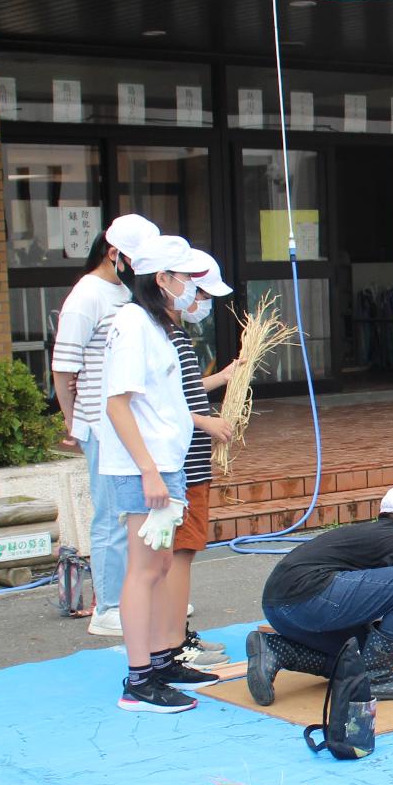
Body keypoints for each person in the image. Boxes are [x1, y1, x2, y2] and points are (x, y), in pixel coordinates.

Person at [97, 234, 216, 713]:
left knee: (161, 564)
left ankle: (162, 660)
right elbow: (117, 403)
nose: (191, 287)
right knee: (145, 570)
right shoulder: (132, 323)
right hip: (145, 467)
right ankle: (139, 678)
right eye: (185, 277)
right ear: (161, 279)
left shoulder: (156, 324)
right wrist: (148, 471)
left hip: (166, 463)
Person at [51, 212, 159, 637]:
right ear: (114, 254)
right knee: (112, 515)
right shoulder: (87, 297)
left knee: (132, 512)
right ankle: (108, 606)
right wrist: (75, 422)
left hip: (126, 420)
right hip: (101, 421)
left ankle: (134, 598)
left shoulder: (124, 293)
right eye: (135, 259)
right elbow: (64, 369)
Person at [247, 483, 393, 705]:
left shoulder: (369, 535)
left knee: (355, 659)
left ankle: (277, 650)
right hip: (310, 597)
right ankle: (377, 677)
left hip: (278, 607)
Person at [165, 245, 238, 674]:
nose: (201, 304)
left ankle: (177, 635)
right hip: (183, 463)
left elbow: (186, 390)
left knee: (183, 551)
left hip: (191, 461)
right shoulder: (166, 337)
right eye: (199, 293)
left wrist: (226, 376)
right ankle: (173, 643)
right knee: (180, 552)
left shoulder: (176, 337)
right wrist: (206, 424)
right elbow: (160, 404)